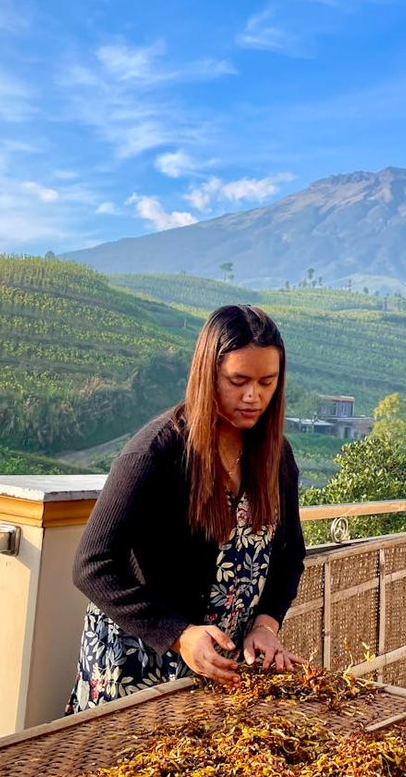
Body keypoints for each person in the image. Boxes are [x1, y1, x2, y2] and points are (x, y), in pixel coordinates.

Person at [68, 304, 306, 711]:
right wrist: (178, 635)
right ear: (208, 376)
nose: (254, 396)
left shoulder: (275, 457)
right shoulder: (155, 453)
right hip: (135, 663)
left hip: (214, 665)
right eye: (238, 381)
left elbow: (289, 556)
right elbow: (92, 564)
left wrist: (266, 624)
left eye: (267, 382)